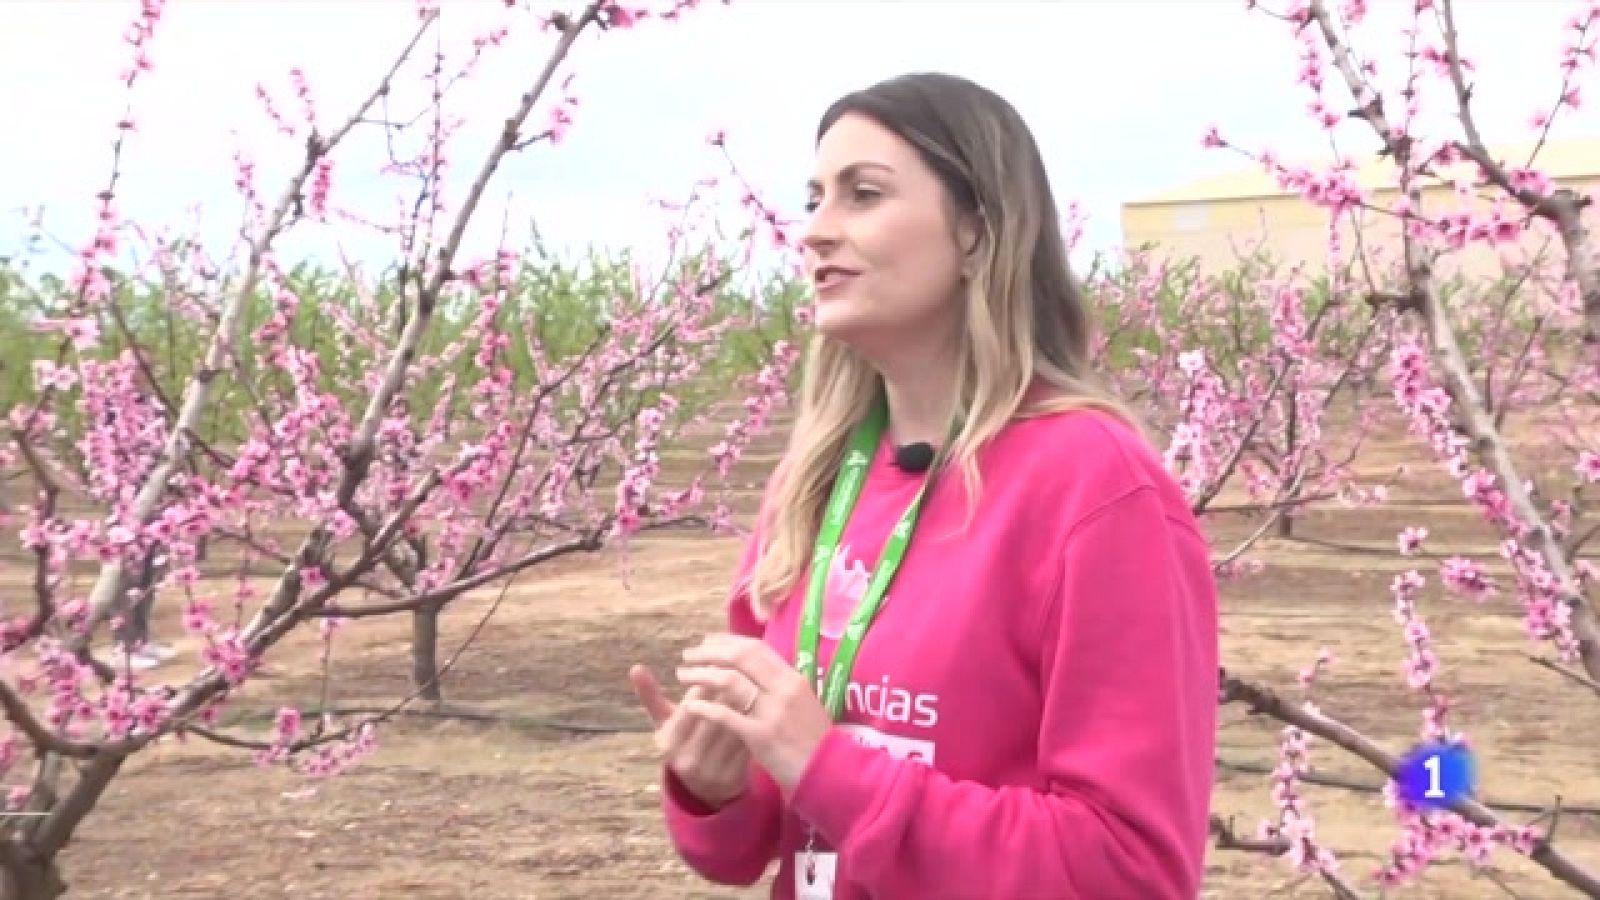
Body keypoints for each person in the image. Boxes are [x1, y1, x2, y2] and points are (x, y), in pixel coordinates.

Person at [629, 71, 1219, 899]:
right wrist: (718, 785)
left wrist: (829, 767)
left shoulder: (1097, 488)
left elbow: (1129, 873)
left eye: (863, 194)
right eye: (814, 197)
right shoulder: (814, 486)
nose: (815, 232)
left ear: (978, 231)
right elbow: (761, 841)